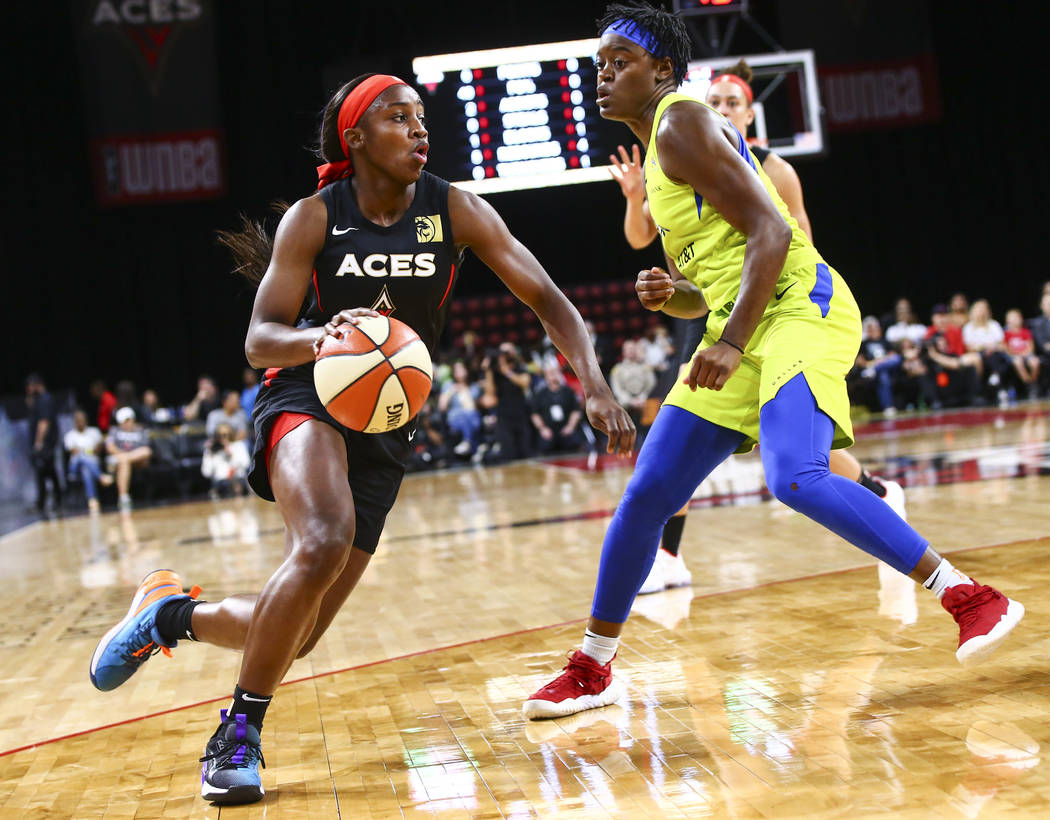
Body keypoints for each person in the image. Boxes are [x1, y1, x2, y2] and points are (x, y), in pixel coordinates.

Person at [88, 72, 635, 805]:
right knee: (321, 539)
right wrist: (318, 338)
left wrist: (594, 384)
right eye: (398, 118)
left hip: (387, 421)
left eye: (421, 118)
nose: (419, 130)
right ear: (355, 138)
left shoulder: (455, 210)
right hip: (306, 395)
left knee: (299, 633)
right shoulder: (315, 219)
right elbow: (259, 340)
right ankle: (236, 736)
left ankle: (167, 615)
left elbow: (549, 299)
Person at [523, 2, 1023, 721]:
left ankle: (971, 596)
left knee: (795, 475)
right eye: (597, 65)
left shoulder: (682, 120)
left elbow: (772, 233)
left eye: (619, 63)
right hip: (738, 320)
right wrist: (678, 297)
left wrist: (727, 342)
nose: (602, 76)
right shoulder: (662, 167)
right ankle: (592, 667)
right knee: (647, 494)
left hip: (798, 307)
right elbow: (712, 286)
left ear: (662, 69)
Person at [608, 54, 904, 593]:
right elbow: (641, 240)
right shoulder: (676, 152)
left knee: (793, 447)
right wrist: (637, 206)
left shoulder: (772, 168)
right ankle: (669, 556)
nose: (720, 108)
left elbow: (795, 242)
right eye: (714, 100)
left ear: (749, 115)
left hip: (781, 306)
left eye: (731, 103)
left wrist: (789, 322)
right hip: (715, 310)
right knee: (684, 443)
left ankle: (877, 496)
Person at [25, 373, 62, 515]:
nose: (28, 389)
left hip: (45, 443)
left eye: (29, 386)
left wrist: (39, 442)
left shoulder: (44, 400)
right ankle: (50, 501)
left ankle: (44, 502)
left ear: (36, 385)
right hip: (45, 443)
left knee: (45, 471)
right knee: (47, 471)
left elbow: (44, 422)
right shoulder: (39, 400)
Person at [103, 406, 152, 512]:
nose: (125, 424)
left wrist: (125, 456)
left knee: (145, 451)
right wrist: (123, 456)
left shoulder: (141, 430)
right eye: (122, 422)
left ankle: (123, 461)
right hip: (121, 461)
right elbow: (109, 446)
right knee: (124, 462)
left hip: (138, 459)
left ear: (132, 419)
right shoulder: (115, 430)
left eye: (127, 420)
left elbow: (146, 448)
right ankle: (124, 498)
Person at [531, 363, 587, 454]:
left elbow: (576, 411)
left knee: (574, 441)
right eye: (550, 373)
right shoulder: (540, 394)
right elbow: (535, 414)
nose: (553, 375)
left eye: (555, 372)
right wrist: (542, 428)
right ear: (545, 376)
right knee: (544, 445)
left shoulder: (568, 391)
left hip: (566, 428)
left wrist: (570, 427)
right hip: (549, 430)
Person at [64, 409, 104, 512]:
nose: (79, 423)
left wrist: (85, 451)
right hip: (75, 467)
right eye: (77, 421)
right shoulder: (70, 435)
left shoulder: (94, 432)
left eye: (81, 420)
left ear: (86, 420)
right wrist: (87, 451)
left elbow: (98, 449)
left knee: (86, 469)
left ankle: (92, 499)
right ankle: (100, 476)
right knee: (81, 457)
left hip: (92, 463)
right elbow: (74, 452)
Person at [201, 423, 251, 498]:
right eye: (220, 435)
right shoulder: (211, 450)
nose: (223, 438)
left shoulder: (239, 445)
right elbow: (206, 473)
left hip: (239, 480)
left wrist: (232, 456)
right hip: (221, 484)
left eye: (225, 435)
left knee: (239, 485)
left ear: (231, 434)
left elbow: (246, 464)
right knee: (225, 486)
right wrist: (210, 456)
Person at [1002, 308, 1041, 399]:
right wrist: (1016, 354)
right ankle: (1028, 384)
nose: (1015, 320)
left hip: (1026, 354)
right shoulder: (1006, 334)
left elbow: (1031, 347)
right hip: (1014, 356)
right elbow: (1006, 348)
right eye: (1012, 318)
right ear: (1007, 320)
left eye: (1017, 317)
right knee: (1018, 362)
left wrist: (1025, 353)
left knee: (1035, 362)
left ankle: (1033, 383)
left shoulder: (1025, 332)